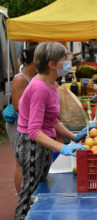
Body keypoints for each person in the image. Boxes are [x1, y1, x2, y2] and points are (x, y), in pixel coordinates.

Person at [14, 42, 87, 219]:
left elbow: (52, 120)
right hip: (32, 145)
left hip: (43, 143)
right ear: (52, 64)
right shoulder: (39, 88)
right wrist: (61, 148)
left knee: (41, 189)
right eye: (64, 59)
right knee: (29, 195)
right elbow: (34, 131)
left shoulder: (51, 84)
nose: (68, 62)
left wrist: (73, 136)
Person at [5, 46, 37, 194]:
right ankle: (21, 199)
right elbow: (18, 106)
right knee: (21, 162)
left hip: (28, 124)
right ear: (35, 59)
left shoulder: (34, 77)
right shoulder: (20, 79)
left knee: (29, 161)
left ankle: (29, 195)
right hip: (17, 124)